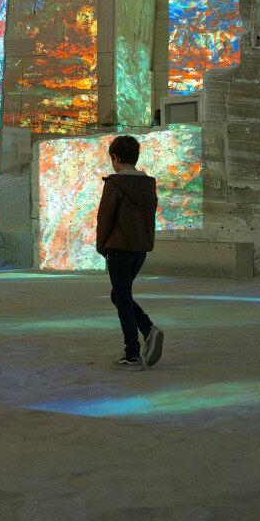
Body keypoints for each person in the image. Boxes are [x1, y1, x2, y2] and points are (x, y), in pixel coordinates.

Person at [95, 134, 163, 369]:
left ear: (116, 157)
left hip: (118, 250)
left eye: (112, 158)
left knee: (122, 298)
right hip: (139, 250)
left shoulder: (115, 184)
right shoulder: (148, 184)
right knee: (120, 295)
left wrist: (102, 247)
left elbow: (105, 218)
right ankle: (146, 330)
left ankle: (133, 352)